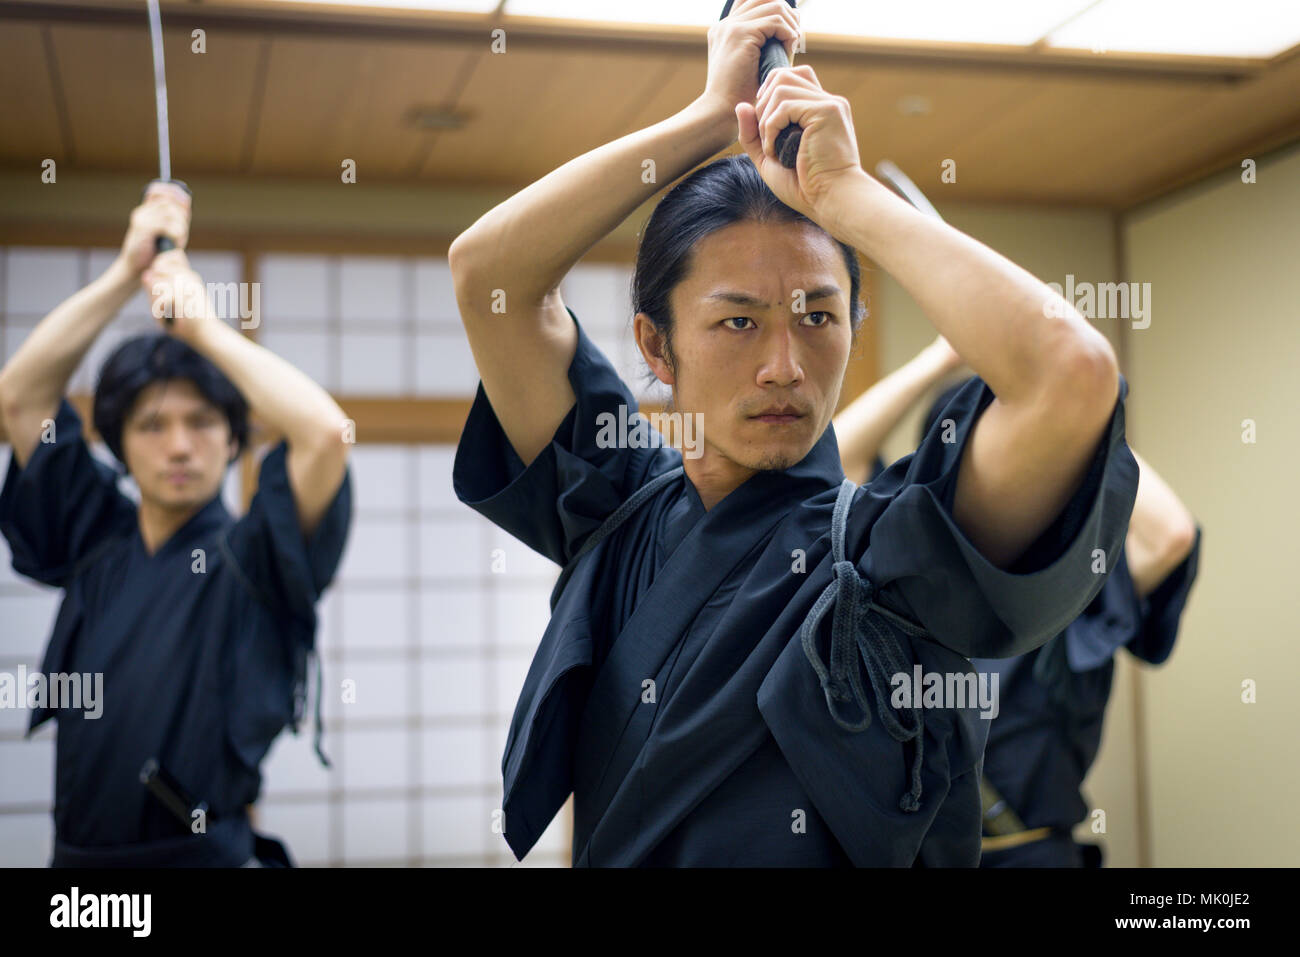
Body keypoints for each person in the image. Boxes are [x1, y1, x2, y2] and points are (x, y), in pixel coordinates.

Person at [447, 0, 1138, 866]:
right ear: (656, 345)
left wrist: (848, 199)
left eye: (819, 315)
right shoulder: (615, 505)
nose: (784, 365)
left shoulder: (886, 555)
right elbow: (488, 277)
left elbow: (1071, 376)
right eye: (738, 323)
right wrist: (708, 117)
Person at [0, 182, 353, 866]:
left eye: (201, 422)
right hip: (77, 869)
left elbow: (325, 433)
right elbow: (19, 397)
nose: (180, 445)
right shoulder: (93, 535)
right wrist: (125, 272)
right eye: (152, 425)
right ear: (119, 442)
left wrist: (201, 326)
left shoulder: (253, 554)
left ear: (232, 440)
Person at [836, 343, 1201, 867]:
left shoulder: (1074, 571)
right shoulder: (897, 560)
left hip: (1035, 854)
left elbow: (1170, 537)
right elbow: (837, 455)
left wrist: (1081, 407)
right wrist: (945, 356)